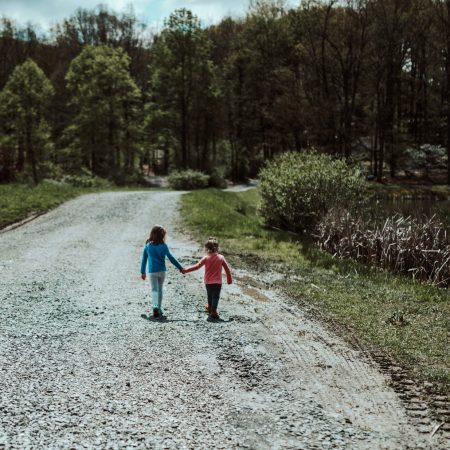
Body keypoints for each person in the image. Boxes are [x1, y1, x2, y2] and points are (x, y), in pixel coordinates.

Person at [182, 237, 232, 321]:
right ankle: (214, 310)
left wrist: (186, 270)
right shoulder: (221, 257)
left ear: (206, 248)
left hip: (208, 282)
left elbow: (197, 266)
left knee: (210, 295)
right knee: (216, 296)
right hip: (217, 282)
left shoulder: (206, 258)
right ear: (217, 248)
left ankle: (210, 308)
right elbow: (227, 269)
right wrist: (229, 279)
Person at [140, 225, 183, 319]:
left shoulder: (148, 246)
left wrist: (142, 272)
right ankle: (158, 307)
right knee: (160, 289)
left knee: (154, 290)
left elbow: (144, 259)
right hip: (162, 271)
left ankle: (155, 307)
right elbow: (171, 258)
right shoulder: (164, 246)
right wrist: (180, 267)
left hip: (152, 272)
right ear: (162, 236)